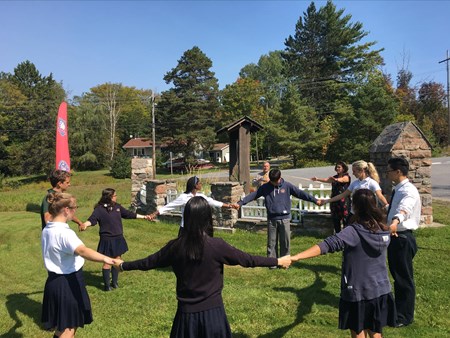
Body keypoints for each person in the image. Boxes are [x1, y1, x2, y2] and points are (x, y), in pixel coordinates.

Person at [113, 196, 291, 338]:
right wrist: (277, 261)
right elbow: (248, 259)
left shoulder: (175, 246)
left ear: (187, 218)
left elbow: (148, 262)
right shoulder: (216, 245)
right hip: (213, 317)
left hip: (185, 318)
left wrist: (123, 265)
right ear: (207, 218)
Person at [291, 189, 397, 338]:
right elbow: (390, 229)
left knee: (358, 331)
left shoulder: (353, 231)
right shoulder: (383, 229)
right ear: (374, 204)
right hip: (380, 289)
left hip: (357, 291)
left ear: (355, 206)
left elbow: (326, 245)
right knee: (375, 331)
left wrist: (297, 257)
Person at [41, 192, 115, 338]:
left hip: (54, 282)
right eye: (74, 207)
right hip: (67, 283)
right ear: (66, 210)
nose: (76, 210)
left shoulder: (48, 229)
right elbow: (82, 250)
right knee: (67, 330)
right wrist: (109, 260)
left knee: (66, 328)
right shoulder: (64, 233)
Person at [236, 169, 321, 262]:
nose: (274, 183)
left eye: (275, 181)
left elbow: (301, 194)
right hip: (272, 219)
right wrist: (240, 203)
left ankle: (285, 261)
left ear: (280, 178)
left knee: (285, 242)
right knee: (271, 243)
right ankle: (271, 262)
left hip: (285, 219)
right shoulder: (265, 187)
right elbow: (253, 195)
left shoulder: (287, 186)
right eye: (272, 181)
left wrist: (315, 200)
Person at [80, 188, 151, 291]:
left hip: (118, 238)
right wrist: (85, 224)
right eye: (115, 196)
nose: (116, 197)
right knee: (107, 262)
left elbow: (129, 214)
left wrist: (144, 217)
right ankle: (107, 286)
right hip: (107, 240)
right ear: (109, 197)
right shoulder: (99, 209)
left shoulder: (117, 207)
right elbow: (92, 220)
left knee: (117, 260)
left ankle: (115, 283)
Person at [386, 157, 421, 327]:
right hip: (396, 237)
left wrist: (394, 222)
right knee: (398, 276)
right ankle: (398, 310)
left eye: (389, 170)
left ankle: (404, 317)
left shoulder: (408, 190)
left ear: (398, 171)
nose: (387, 173)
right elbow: (393, 207)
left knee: (403, 278)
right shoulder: (398, 189)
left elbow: (404, 209)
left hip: (402, 238)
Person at [148, 176, 237, 228]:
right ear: (195, 185)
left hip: (198, 227)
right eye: (199, 183)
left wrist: (229, 206)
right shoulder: (184, 197)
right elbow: (170, 206)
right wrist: (154, 214)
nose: (201, 184)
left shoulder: (200, 196)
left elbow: (213, 202)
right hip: (186, 228)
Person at [322, 160, 389, 217]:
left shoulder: (372, 183)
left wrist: (387, 206)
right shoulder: (355, 183)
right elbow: (342, 195)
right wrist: (327, 201)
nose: (353, 174)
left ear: (362, 170)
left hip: (368, 214)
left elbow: (380, 196)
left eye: (354, 171)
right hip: (354, 213)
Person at [311, 161, 351, 233]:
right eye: (336, 167)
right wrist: (317, 179)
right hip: (334, 201)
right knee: (335, 219)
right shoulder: (334, 177)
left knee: (346, 219)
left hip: (344, 202)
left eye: (339, 167)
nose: (337, 168)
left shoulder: (346, 176)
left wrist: (335, 180)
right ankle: (338, 236)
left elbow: (343, 180)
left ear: (344, 168)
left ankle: (347, 236)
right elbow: (326, 180)